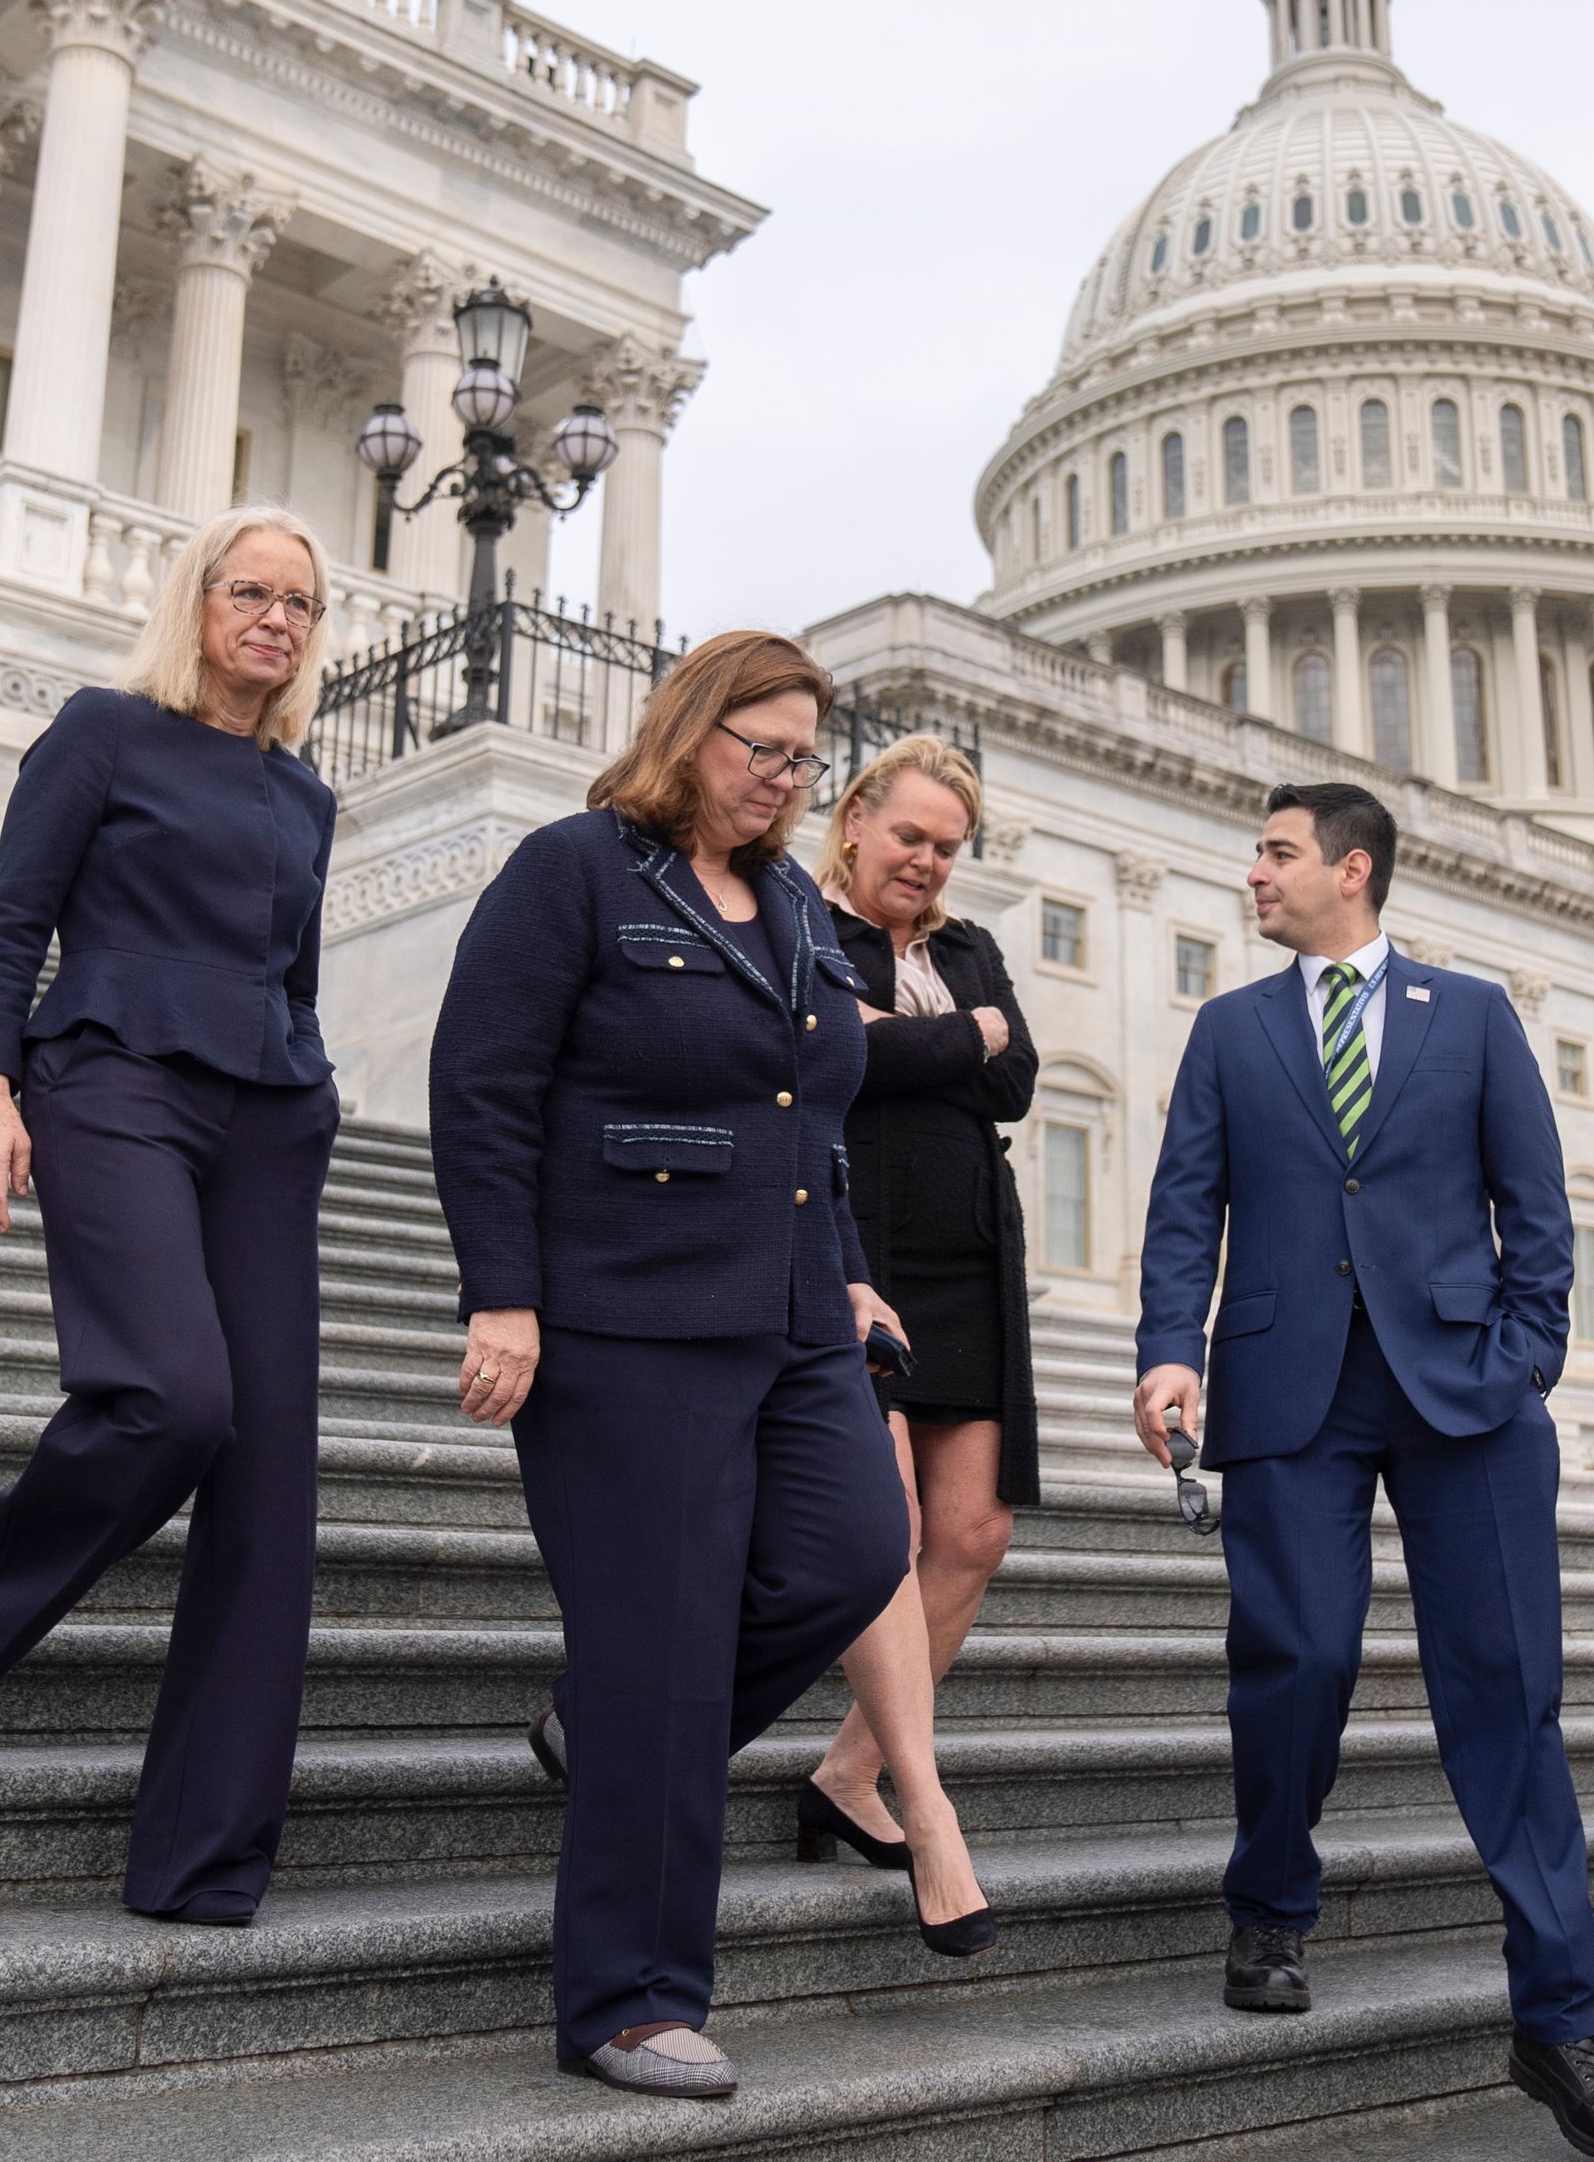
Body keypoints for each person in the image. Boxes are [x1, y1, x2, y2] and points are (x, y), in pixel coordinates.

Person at [426, 632, 978, 2102]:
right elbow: (481, 1088)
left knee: (856, 1550)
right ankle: (631, 1996)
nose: (786, 780)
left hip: (797, 1317)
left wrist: (851, 1263)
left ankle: (607, 1719)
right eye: (766, 750)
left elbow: (814, 1112)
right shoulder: (576, 872)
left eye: (807, 759)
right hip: (627, 1314)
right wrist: (504, 1298)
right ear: (692, 729)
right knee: (663, 1649)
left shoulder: (795, 899)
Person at [1136, 782, 1594, 2159]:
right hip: (1287, 1381)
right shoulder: (1230, 1029)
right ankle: (1269, 1905)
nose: (1256, 872)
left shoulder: (1473, 1014)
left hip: (1466, 1395)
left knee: (1509, 1692)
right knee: (1295, 1656)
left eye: (1277, 851)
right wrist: (1164, 1349)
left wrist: (1527, 1356)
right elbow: (1187, 1201)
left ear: (1350, 870)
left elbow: (1538, 1208)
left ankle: (1559, 2017)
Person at [0, 509, 343, 1925]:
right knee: (169, 1396)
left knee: (270, 1487)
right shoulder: (102, 730)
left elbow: (301, 979)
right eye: (251, 592)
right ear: (198, 601)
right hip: (111, 1081)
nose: (276, 619)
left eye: (301, 603)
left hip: (269, 1119)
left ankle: (205, 1861)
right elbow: (14, 918)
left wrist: (317, 1094)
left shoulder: (306, 796)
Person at [801, 737, 1039, 1869]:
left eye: (948, 847)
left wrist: (919, 1042)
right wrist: (959, 1034)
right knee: (881, 1531)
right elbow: (833, 1053)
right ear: (854, 820)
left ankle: (849, 1769)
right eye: (911, 836)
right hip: (860, 1248)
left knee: (973, 1532)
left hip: (972, 1258)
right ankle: (923, 1795)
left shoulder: (970, 943)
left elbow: (1018, 1079)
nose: (930, 861)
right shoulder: (802, 924)